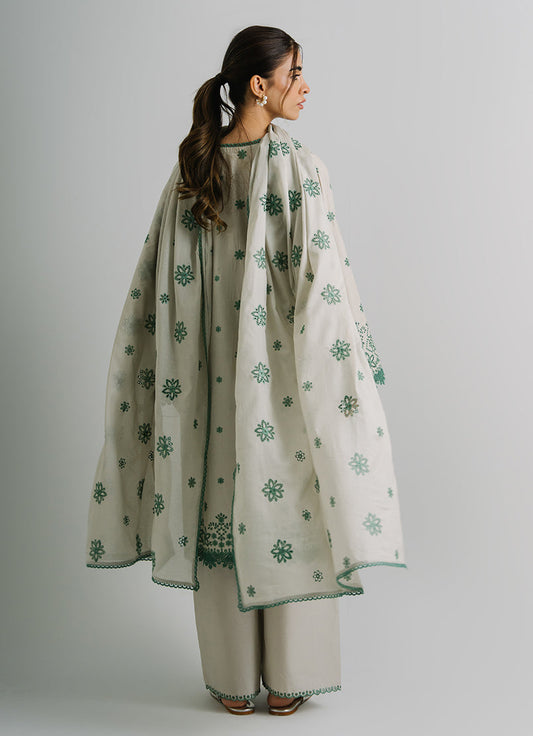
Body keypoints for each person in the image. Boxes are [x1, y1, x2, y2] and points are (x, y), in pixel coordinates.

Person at [85, 24, 407, 716]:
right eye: (296, 74)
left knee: (218, 493)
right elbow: (324, 288)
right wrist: (350, 366)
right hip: (278, 378)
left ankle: (235, 678)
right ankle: (287, 676)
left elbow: (153, 289)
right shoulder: (288, 167)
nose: (306, 87)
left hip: (204, 382)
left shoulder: (198, 170)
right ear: (259, 85)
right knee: (285, 495)